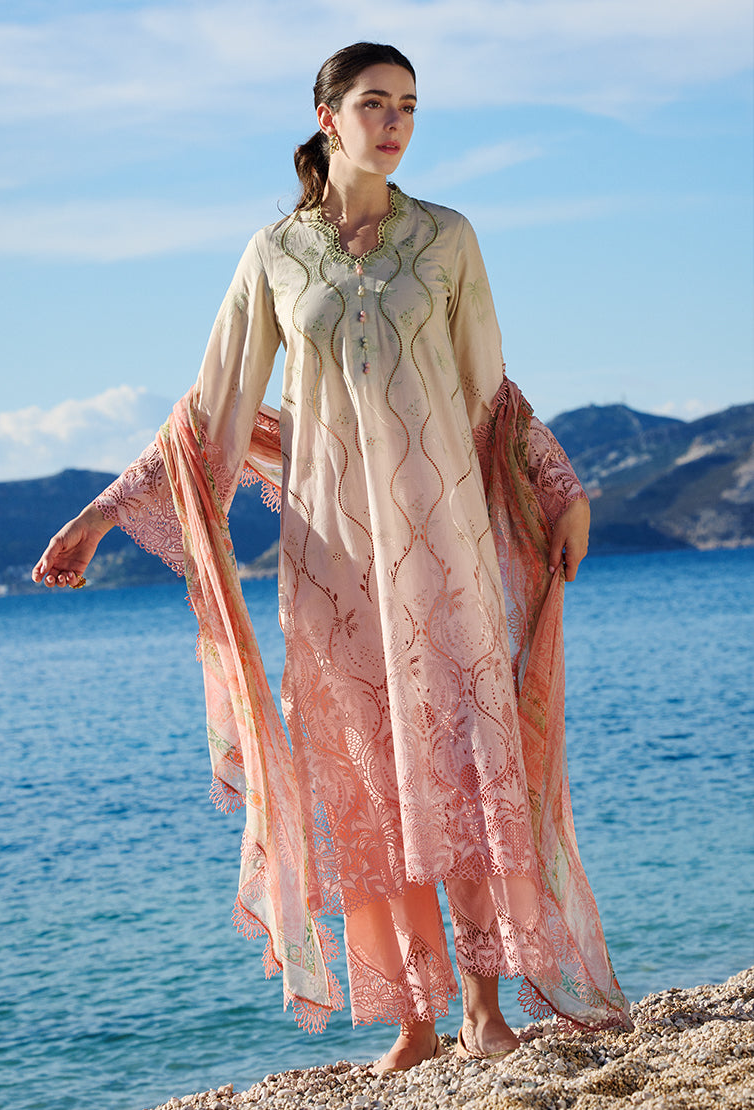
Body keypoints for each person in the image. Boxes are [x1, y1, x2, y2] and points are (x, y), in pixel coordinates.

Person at [33, 42, 630, 1074]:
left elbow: (488, 391)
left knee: (461, 761)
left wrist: (559, 485)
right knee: (366, 777)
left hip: (444, 548)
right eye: (374, 104)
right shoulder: (274, 254)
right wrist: (100, 513)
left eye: (409, 106)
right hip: (330, 561)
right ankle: (412, 1016)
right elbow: (212, 412)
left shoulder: (447, 238)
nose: (395, 123)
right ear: (327, 116)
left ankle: (484, 1009)